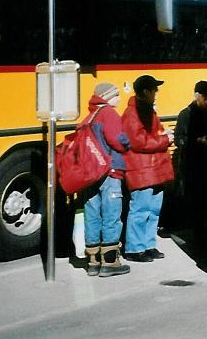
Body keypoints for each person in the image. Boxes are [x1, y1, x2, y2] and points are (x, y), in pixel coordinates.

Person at [122, 75, 174, 262]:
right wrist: (164, 139)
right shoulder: (133, 113)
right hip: (142, 170)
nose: (157, 93)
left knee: (153, 210)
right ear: (146, 91)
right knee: (140, 209)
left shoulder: (147, 111)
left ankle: (148, 245)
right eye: (154, 89)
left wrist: (163, 136)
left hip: (153, 169)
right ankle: (134, 249)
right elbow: (138, 141)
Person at [82, 83, 131, 277]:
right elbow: (117, 140)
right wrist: (127, 142)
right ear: (107, 97)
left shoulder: (88, 117)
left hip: (90, 175)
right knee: (111, 215)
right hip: (109, 172)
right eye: (116, 95)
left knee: (92, 215)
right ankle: (110, 262)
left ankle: (93, 262)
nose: (119, 98)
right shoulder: (108, 113)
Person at [174, 80, 207, 244]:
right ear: (197, 96)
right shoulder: (186, 114)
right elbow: (179, 139)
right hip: (194, 165)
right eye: (205, 97)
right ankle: (199, 235)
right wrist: (198, 141)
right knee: (197, 201)